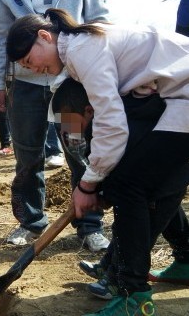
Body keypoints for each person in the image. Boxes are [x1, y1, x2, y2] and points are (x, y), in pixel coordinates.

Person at [6, 7, 189, 315]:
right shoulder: (78, 49)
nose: (34, 69)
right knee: (144, 180)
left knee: (132, 185)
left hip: (181, 96)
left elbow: (111, 124)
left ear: (44, 36)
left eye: (29, 61)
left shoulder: (81, 49)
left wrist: (89, 185)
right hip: (172, 100)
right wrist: (97, 183)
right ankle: (181, 259)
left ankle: (132, 295)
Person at [0, 0, 110, 249]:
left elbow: (100, 22)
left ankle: (89, 226)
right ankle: (31, 223)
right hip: (26, 87)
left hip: (71, 85)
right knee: (28, 155)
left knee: (78, 150)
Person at [52, 78, 189, 303]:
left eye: (75, 127)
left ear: (90, 110)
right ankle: (185, 259)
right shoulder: (93, 112)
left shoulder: (113, 128)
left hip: (165, 171)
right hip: (160, 173)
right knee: (151, 205)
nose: (75, 136)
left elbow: (117, 173)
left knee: (138, 219)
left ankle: (121, 282)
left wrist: (100, 192)